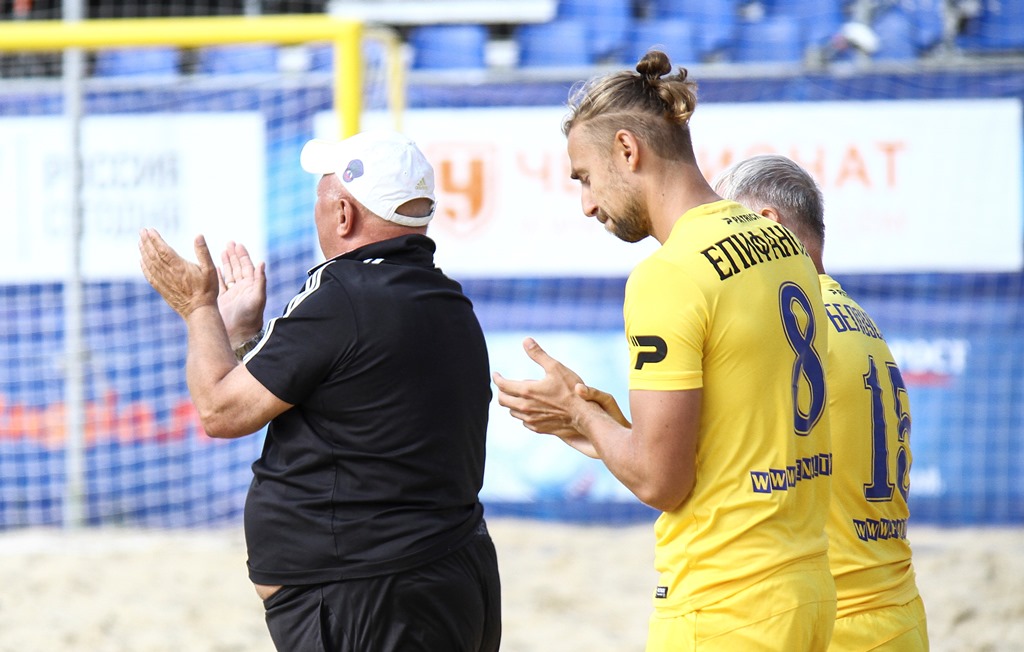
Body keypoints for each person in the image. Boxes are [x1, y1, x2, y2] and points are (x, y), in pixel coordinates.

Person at [493, 50, 836, 650]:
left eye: (584, 177)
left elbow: (661, 482)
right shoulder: (782, 243)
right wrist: (604, 426)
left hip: (724, 601)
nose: (587, 204)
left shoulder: (668, 275)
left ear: (627, 150)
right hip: (806, 588)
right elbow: (734, 440)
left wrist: (578, 413)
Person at [138, 129, 501, 652]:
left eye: (320, 198)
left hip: (373, 594)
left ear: (344, 215)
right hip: (443, 578)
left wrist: (197, 308)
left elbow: (220, 412)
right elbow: (335, 403)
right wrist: (242, 339)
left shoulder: (343, 296)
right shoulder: (446, 301)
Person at [714, 154, 929, 651]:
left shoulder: (791, 329)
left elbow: (684, 474)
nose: (715, 253)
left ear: (768, 225)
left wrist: (593, 425)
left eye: (725, 227)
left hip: (835, 623)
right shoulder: (860, 321)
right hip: (895, 614)